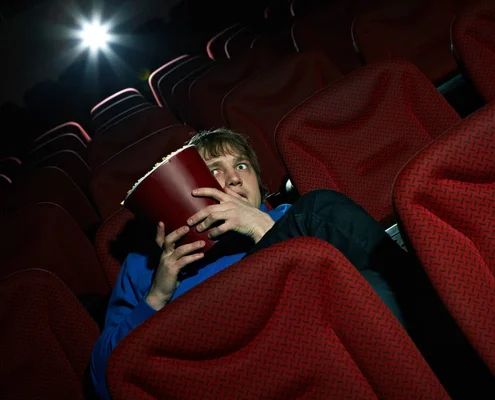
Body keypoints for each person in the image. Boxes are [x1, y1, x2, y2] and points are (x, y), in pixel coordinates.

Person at [90, 128, 407, 399]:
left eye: (242, 166)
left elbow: (358, 290)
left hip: (321, 345)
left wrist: (263, 229)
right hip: (226, 377)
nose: (233, 179)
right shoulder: (146, 267)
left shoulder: (295, 219)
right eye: (214, 170)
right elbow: (106, 381)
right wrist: (157, 297)